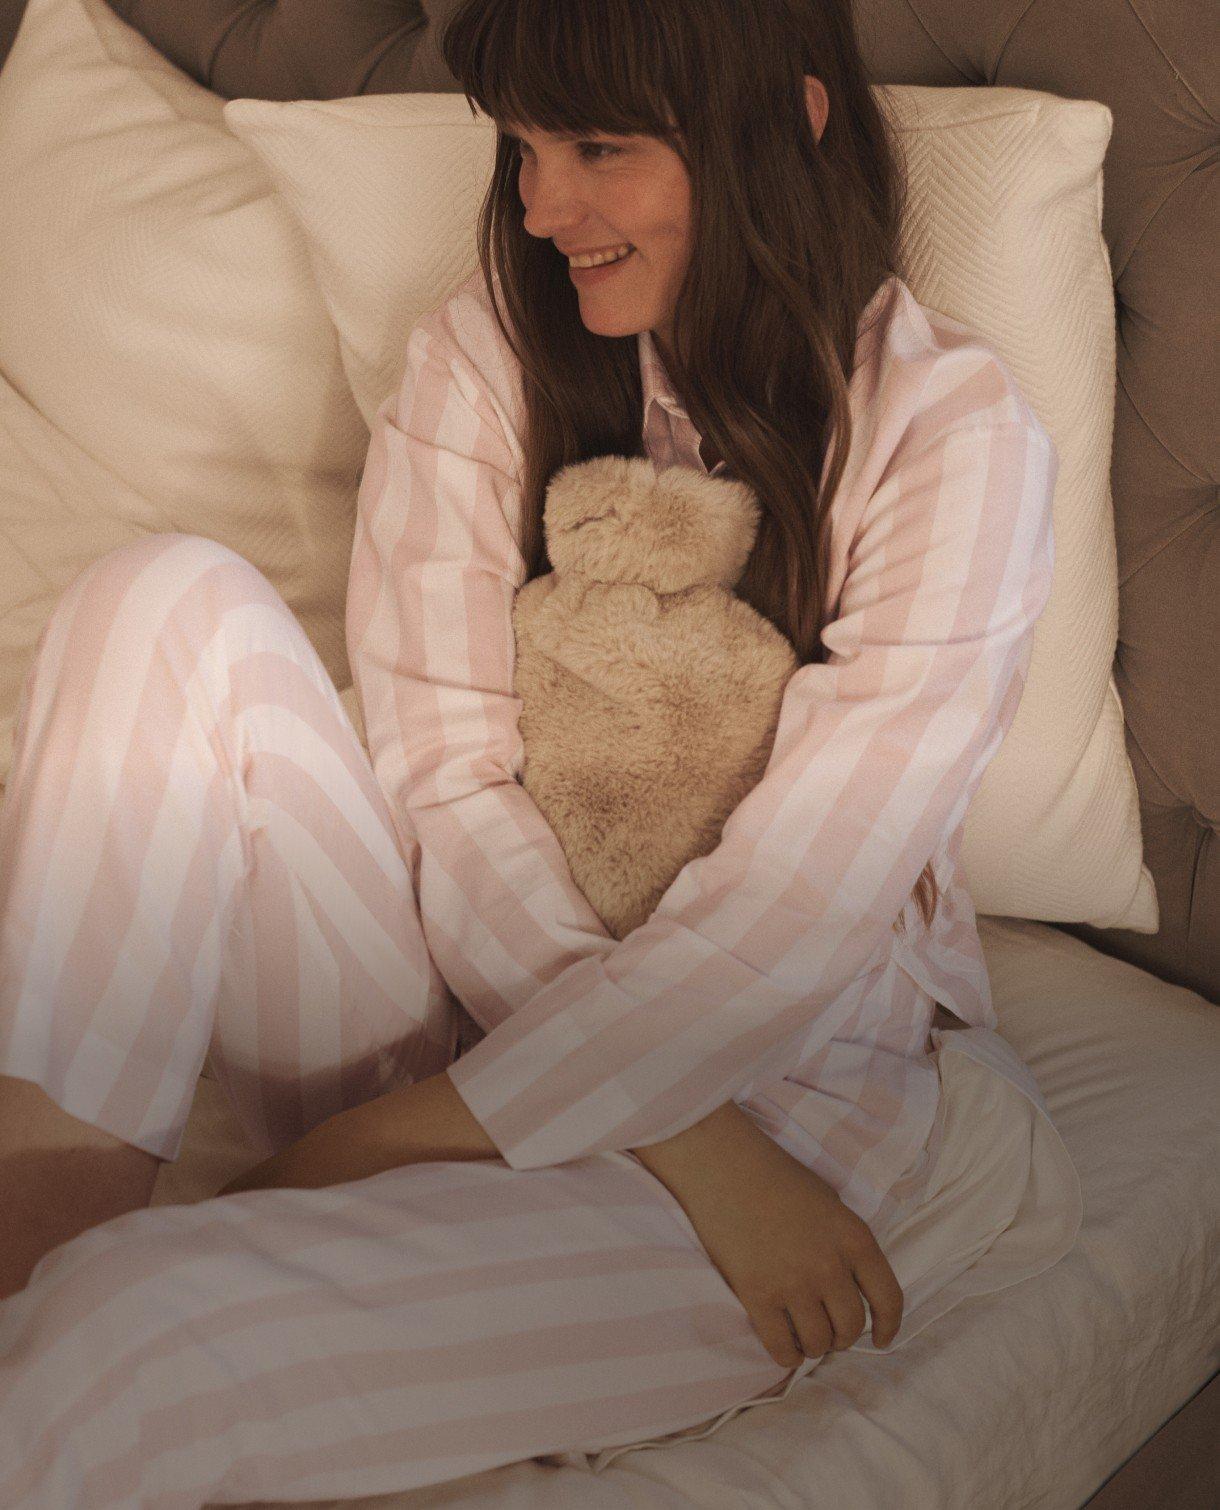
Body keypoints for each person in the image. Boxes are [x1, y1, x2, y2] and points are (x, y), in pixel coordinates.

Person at [0, 0, 1081, 1502]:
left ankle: (92, 1299)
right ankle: (36, 1225)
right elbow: (444, 782)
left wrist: (403, 1142)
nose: (540, 206)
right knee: (157, 602)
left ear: (795, 122)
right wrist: (655, 1137)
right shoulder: (488, 354)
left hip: (793, 1102)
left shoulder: (948, 434)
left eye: (596, 149)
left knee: (127, 1344)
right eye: (521, 148)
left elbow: (788, 919)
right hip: (495, 1031)